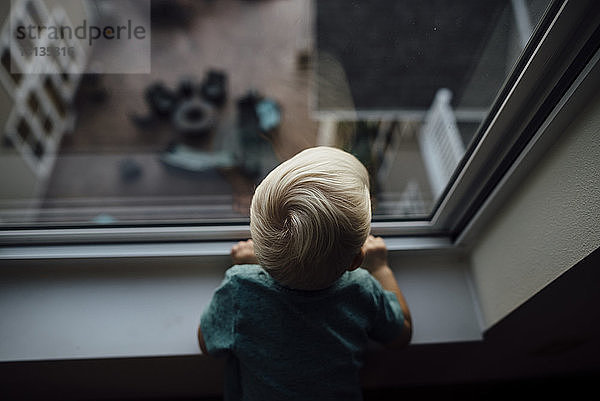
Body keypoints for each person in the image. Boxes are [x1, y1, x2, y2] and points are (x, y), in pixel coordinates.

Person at [197, 146, 412, 401]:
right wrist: (380, 268)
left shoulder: (240, 288)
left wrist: (256, 267)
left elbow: (207, 344)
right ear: (356, 259)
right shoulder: (362, 289)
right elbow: (402, 334)